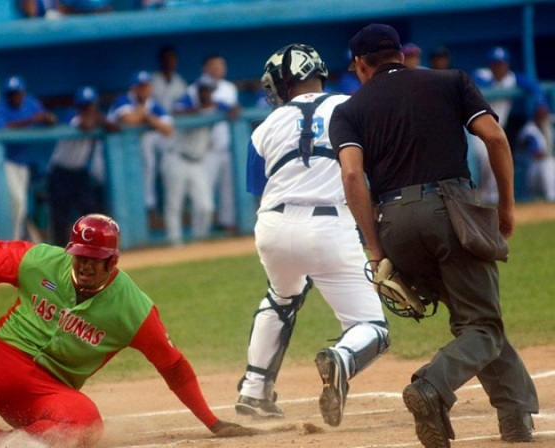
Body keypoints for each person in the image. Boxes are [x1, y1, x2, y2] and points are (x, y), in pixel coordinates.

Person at [330, 23, 538, 447]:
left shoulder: (348, 109)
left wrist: (374, 247)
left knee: (476, 321)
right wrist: (507, 206)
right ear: (401, 55)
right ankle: (431, 386)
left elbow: (352, 175)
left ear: (360, 65)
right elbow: (495, 137)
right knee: (482, 324)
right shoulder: (451, 81)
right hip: (450, 213)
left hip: (394, 224)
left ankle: (514, 419)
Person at [0, 213, 257, 447]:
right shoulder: (41, 260)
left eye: (95, 258)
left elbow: (173, 366)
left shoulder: (133, 309)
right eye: (80, 256)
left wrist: (212, 422)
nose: (85, 264)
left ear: (113, 261)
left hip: (48, 391)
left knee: (85, 423)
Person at [234, 43, 389, 427]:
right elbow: (371, 165)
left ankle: (254, 390)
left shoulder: (265, 126)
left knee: (281, 296)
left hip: (272, 226)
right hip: (330, 226)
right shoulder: (349, 105)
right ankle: (343, 357)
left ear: (287, 83)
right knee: (372, 328)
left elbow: (257, 187)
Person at [471, 46, 546, 204]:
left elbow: (534, 86)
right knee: (481, 157)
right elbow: (475, 82)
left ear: (507, 64)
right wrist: (495, 82)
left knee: (495, 158)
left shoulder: (512, 78)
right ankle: (482, 195)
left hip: (496, 127)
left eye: (502, 64)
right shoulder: (481, 75)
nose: (499, 67)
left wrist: (541, 103)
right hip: (476, 128)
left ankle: (490, 196)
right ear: (490, 65)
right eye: (495, 64)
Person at [47, 86, 119, 247]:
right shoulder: (72, 116)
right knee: (60, 218)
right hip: (60, 172)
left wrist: (99, 118)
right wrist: (98, 118)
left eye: (90, 105)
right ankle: (60, 253)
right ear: (78, 106)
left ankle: (96, 248)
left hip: (79, 173)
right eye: (84, 105)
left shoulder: (97, 118)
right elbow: (85, 125)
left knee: (91, 212)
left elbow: (116, 127)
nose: (87, 108)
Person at [0, 75, 57, 241]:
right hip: (5, 162)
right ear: (7, 95)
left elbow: (50, 120)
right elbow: (3, 128)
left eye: (18, 93)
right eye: (12, 94)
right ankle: (13, 241)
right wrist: (32, 120)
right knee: (17, 202)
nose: (15, 97)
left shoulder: (30, 103)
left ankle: (17, 240)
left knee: (21, 205)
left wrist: (47, 118)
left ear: (23, 93)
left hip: (23, 162)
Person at [162, 74, 224, 246]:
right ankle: (174, 242)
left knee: (206, 206)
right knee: (174, 204)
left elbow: (232, 109)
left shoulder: (214, 105)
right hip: (177, 158)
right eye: (204, 90)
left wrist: (219, 109)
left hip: (198, 162)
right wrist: (202, 111)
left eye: (210, 91)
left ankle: (199, 241)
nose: (207, 94)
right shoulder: (187, 101)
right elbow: (176, 112)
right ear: (198, 90)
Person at [107, 70, 174, 225]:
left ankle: (144, 217)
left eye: (147, 86)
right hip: (110, 154)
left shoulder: (153, 105)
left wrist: (147, 117)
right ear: (133, 88)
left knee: (146, 170)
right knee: (119, 193)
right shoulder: (123, 100)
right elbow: (128, 120)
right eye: (141, 86)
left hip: (134, 154)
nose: (145, 90)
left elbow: (169, 129)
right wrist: (143, 116)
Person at [195, 54, 240, 234]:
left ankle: (227, 226)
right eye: (213, 65)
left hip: (226, 146)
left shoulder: (229, 88)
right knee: (204, 191)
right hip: (206, 148)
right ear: (205, 68)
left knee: (228, 191)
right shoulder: (196, 88)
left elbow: (234, 110)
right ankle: (202, 231)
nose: (217, 69)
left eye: (220, 65)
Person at [515, 103, 555, 201]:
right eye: (541, 114)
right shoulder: (528, 131)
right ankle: (551, 197)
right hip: (529, 169)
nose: (544, 117)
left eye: (545, 114)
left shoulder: (549, 129)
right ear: (536, 116)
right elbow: (536, 154)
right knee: (548, 163)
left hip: (539, 168)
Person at [151, 45, 188, 114]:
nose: (169, 61)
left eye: (172, 58)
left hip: (176, 119)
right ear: (161, 60)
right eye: (166, 58)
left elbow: (183, 104)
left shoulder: (180, 81)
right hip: (155, 119)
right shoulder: (152, 80)